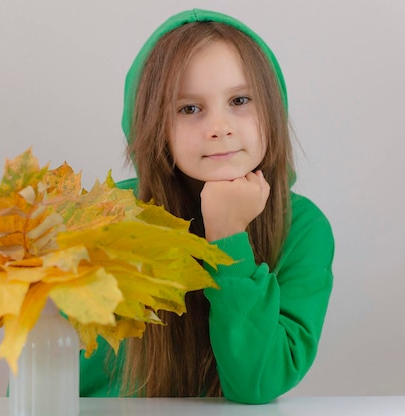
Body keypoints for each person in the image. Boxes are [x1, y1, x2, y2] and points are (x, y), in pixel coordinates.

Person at [80, 9, 335, 404]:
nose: (219, 127)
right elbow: (46, 366)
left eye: (239, 100)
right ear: (152, 125)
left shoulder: (302, 227)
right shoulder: (108, 218)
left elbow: (258, 384)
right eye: (189, 109)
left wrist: (228, 237)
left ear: (272, 108)